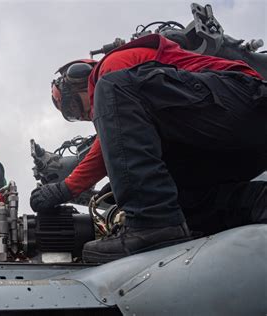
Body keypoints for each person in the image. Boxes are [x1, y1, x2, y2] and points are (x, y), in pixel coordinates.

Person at [30, 33, 267, 263]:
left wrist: (67, 187)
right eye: (71, 115)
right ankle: (257, 203)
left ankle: (152, 223)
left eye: (73, 105)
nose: (80, 116)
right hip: (238, 140)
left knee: (112, 90)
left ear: (82, 78)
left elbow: (107, 148)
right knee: (176, 197)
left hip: (243, 98)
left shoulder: (112, 68)